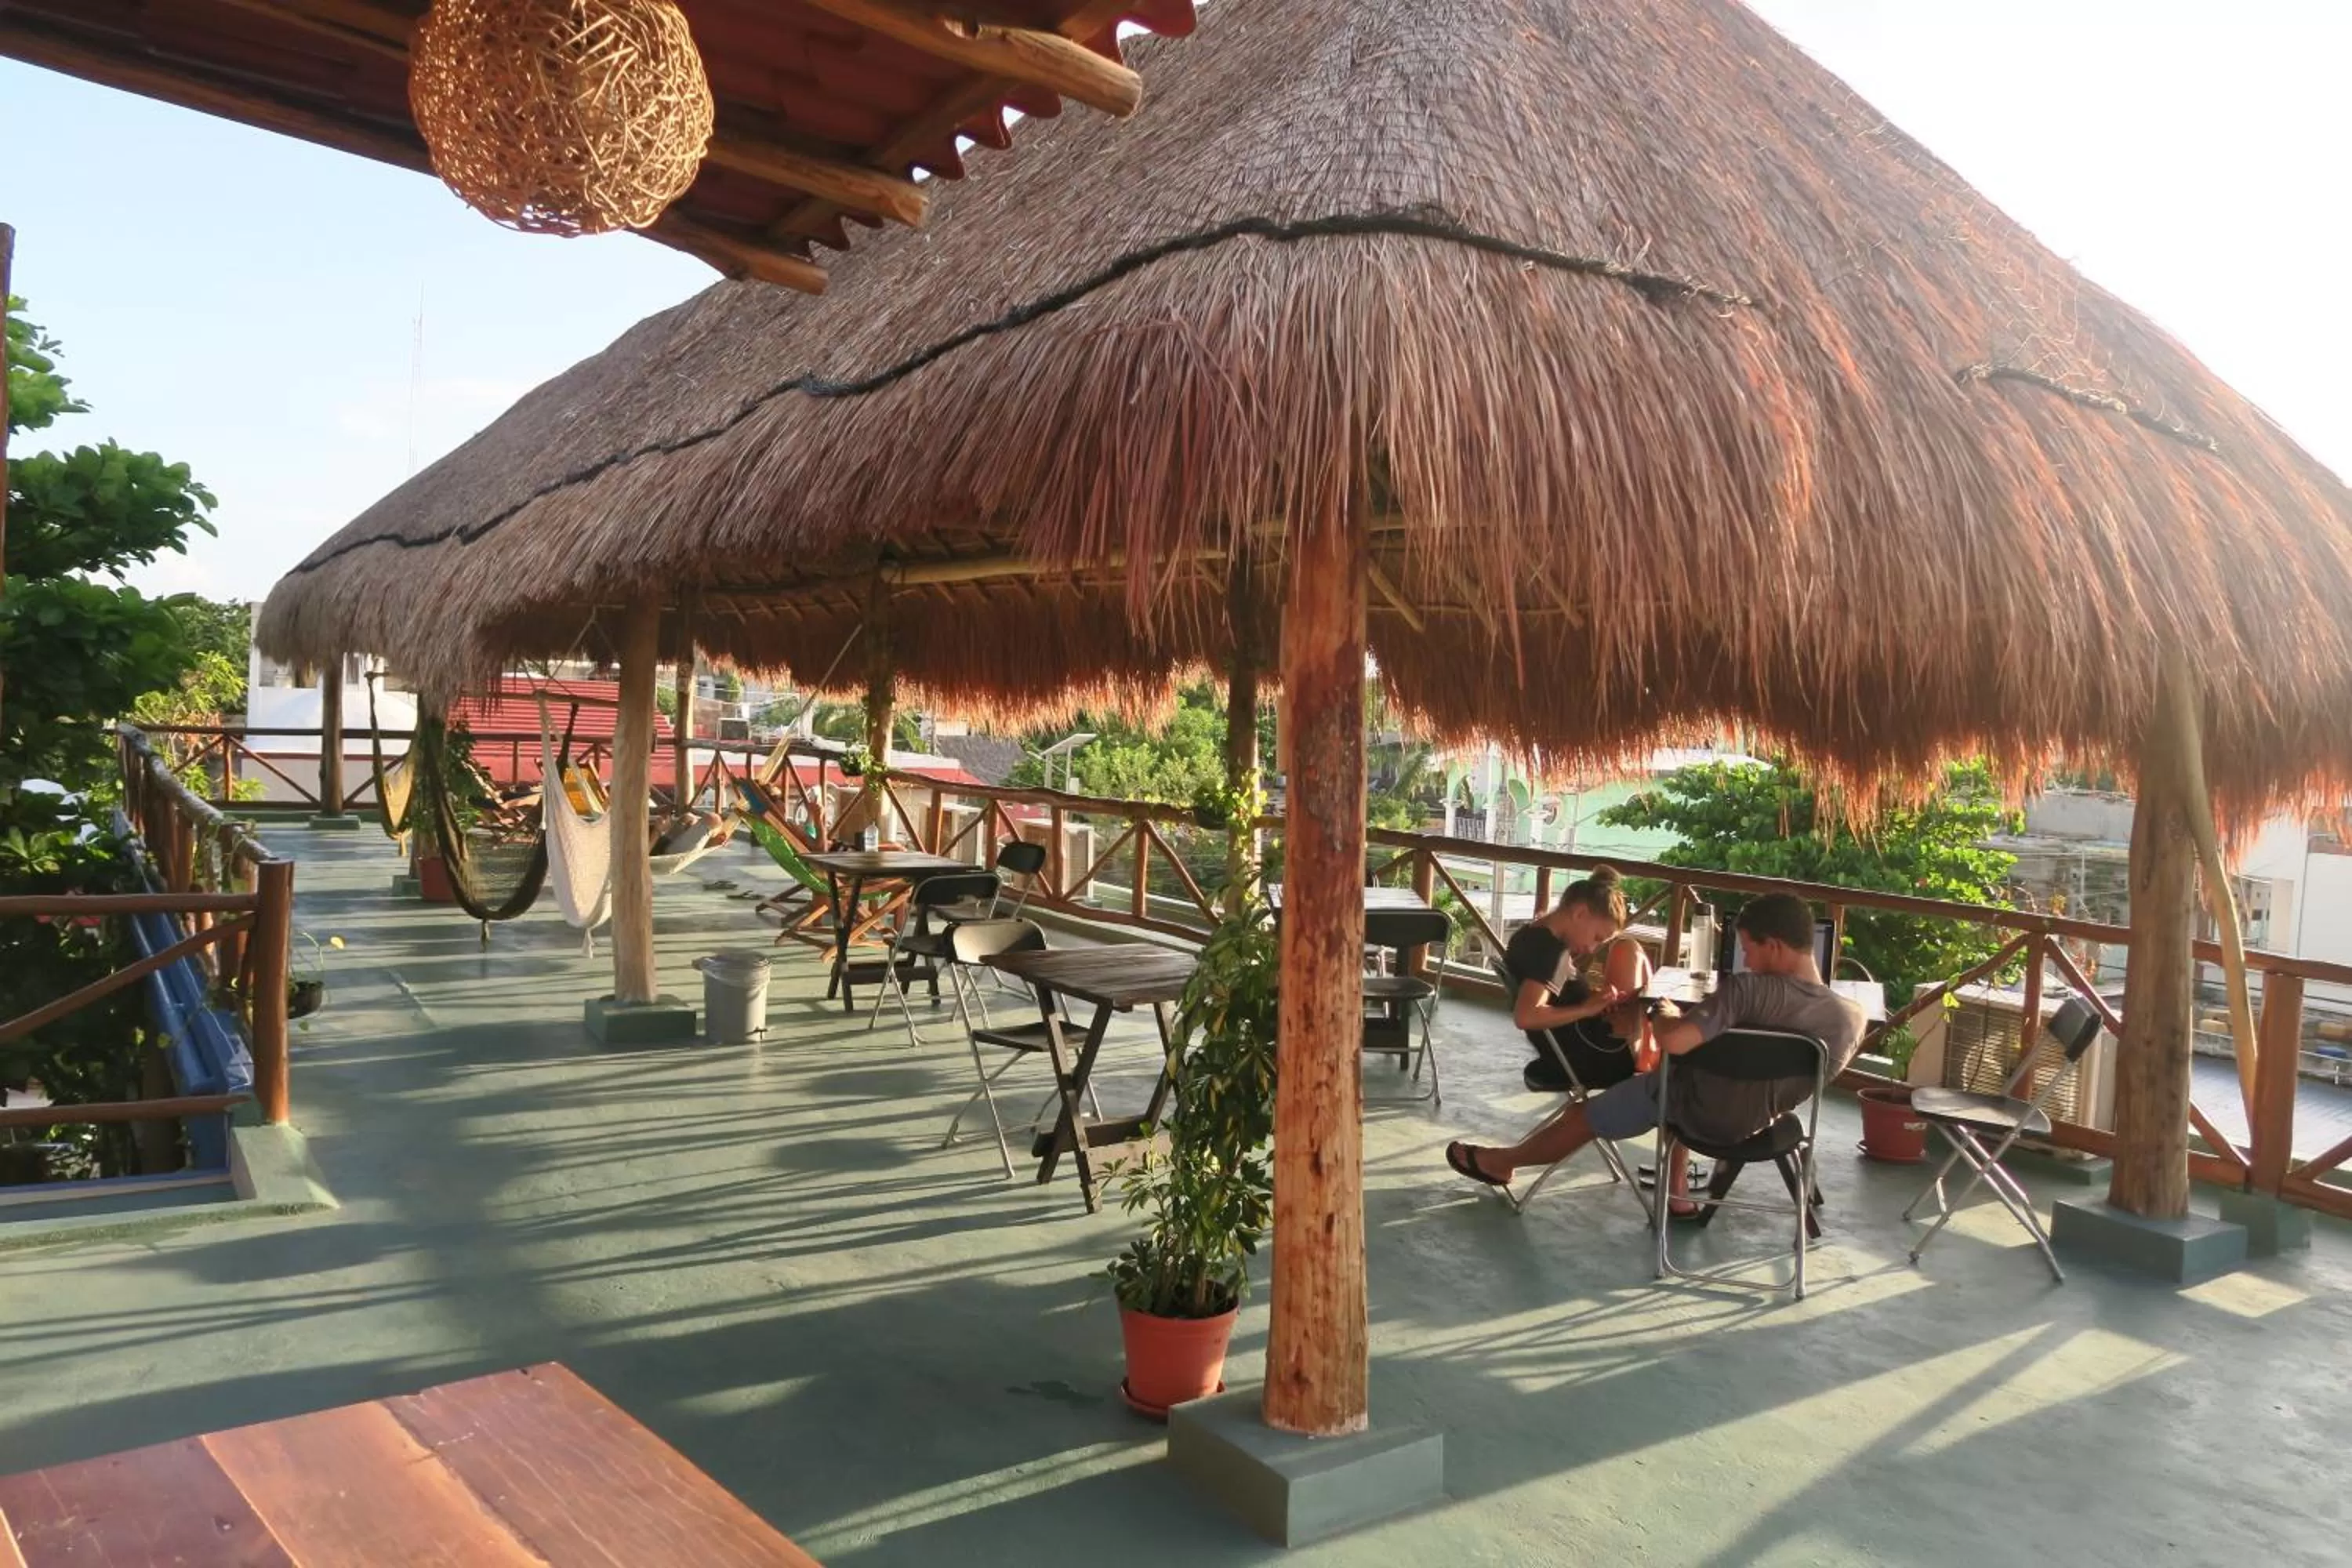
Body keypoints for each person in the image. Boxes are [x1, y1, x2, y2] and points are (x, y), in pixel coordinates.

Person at [1448, 891, 1864, 1216]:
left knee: (1595, 1109)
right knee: (1687, 1070)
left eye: (1748, 950)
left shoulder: (1749, 991)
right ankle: (1676, 1191)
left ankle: (1503, 1161)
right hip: (1762, 1128)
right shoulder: (1849, 1021)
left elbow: (1675, 1041)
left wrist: (1662, 1013)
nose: (1747, 963)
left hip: (1688, 1111)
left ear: (1773, 945)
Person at [1500, 865, 1652, 1095]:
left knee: (1633, 961)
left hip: (1571, 1048)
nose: (1592, 949)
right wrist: (1585, 1009)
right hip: (1594, 1058)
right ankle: (1661, 1056)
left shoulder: (1528, 935)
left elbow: (1554, 999)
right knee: (1629, 951)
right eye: (1597, 938)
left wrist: (1595, 1001)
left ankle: (1657, 1049)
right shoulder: (1551, 953)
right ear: (1580, 913)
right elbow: (1526, 1016)